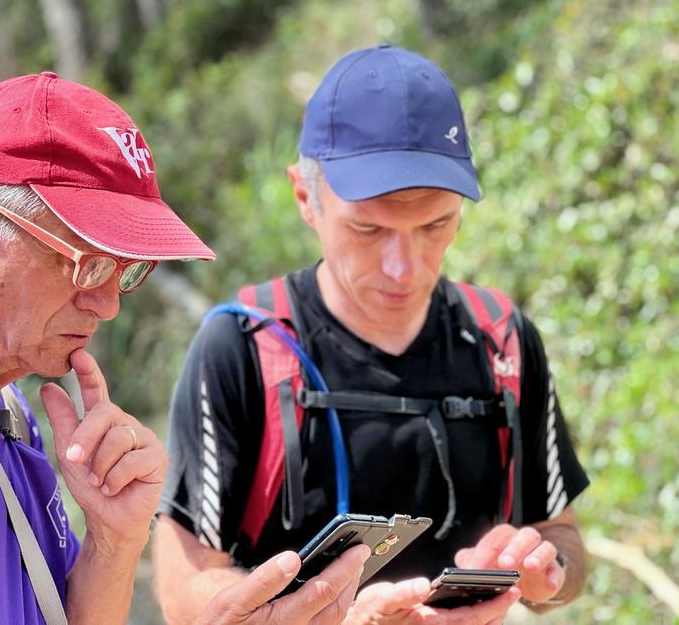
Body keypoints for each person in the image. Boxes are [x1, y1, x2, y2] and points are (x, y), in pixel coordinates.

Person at [0, 72, 369, 624]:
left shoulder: (7, 412)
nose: (108, 305)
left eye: (127, 271)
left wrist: (113, 539)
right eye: (88, 263)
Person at [154, 44, 590, 623]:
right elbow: (184, 585)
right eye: (368, 229)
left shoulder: (503, 341)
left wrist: (544, 569)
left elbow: (560, 533)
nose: (403, 267)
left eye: (436, 225)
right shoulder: (243, 348)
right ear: (306, 198)